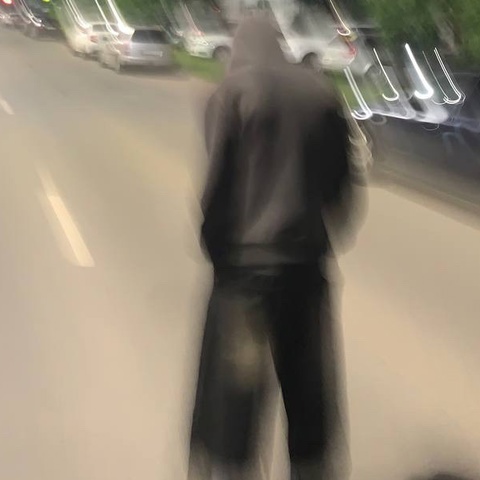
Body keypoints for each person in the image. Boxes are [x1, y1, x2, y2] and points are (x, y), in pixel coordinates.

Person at [188, 15, 361, 480]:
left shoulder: (231, 93)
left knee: (236, 394)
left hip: (246, 280)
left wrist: (216, 248)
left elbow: (219, 185)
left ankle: (232, 469)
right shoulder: (321, 94)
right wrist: (323, 234)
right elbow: (343, 183)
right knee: (308, 390)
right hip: (306, 273)